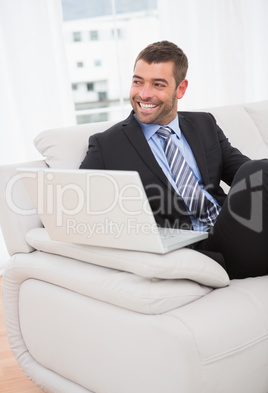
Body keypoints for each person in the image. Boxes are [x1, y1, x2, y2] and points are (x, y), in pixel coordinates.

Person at [80, 40, 268, 280]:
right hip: (199, 249)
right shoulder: (107, 144)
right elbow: (74, 207)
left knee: (257, 172)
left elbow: (245, 176)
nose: (144, 94)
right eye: (138, 81)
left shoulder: (204, 124)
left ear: (181, 89)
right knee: (260, 170)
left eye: (158, 84)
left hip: (234, 230)